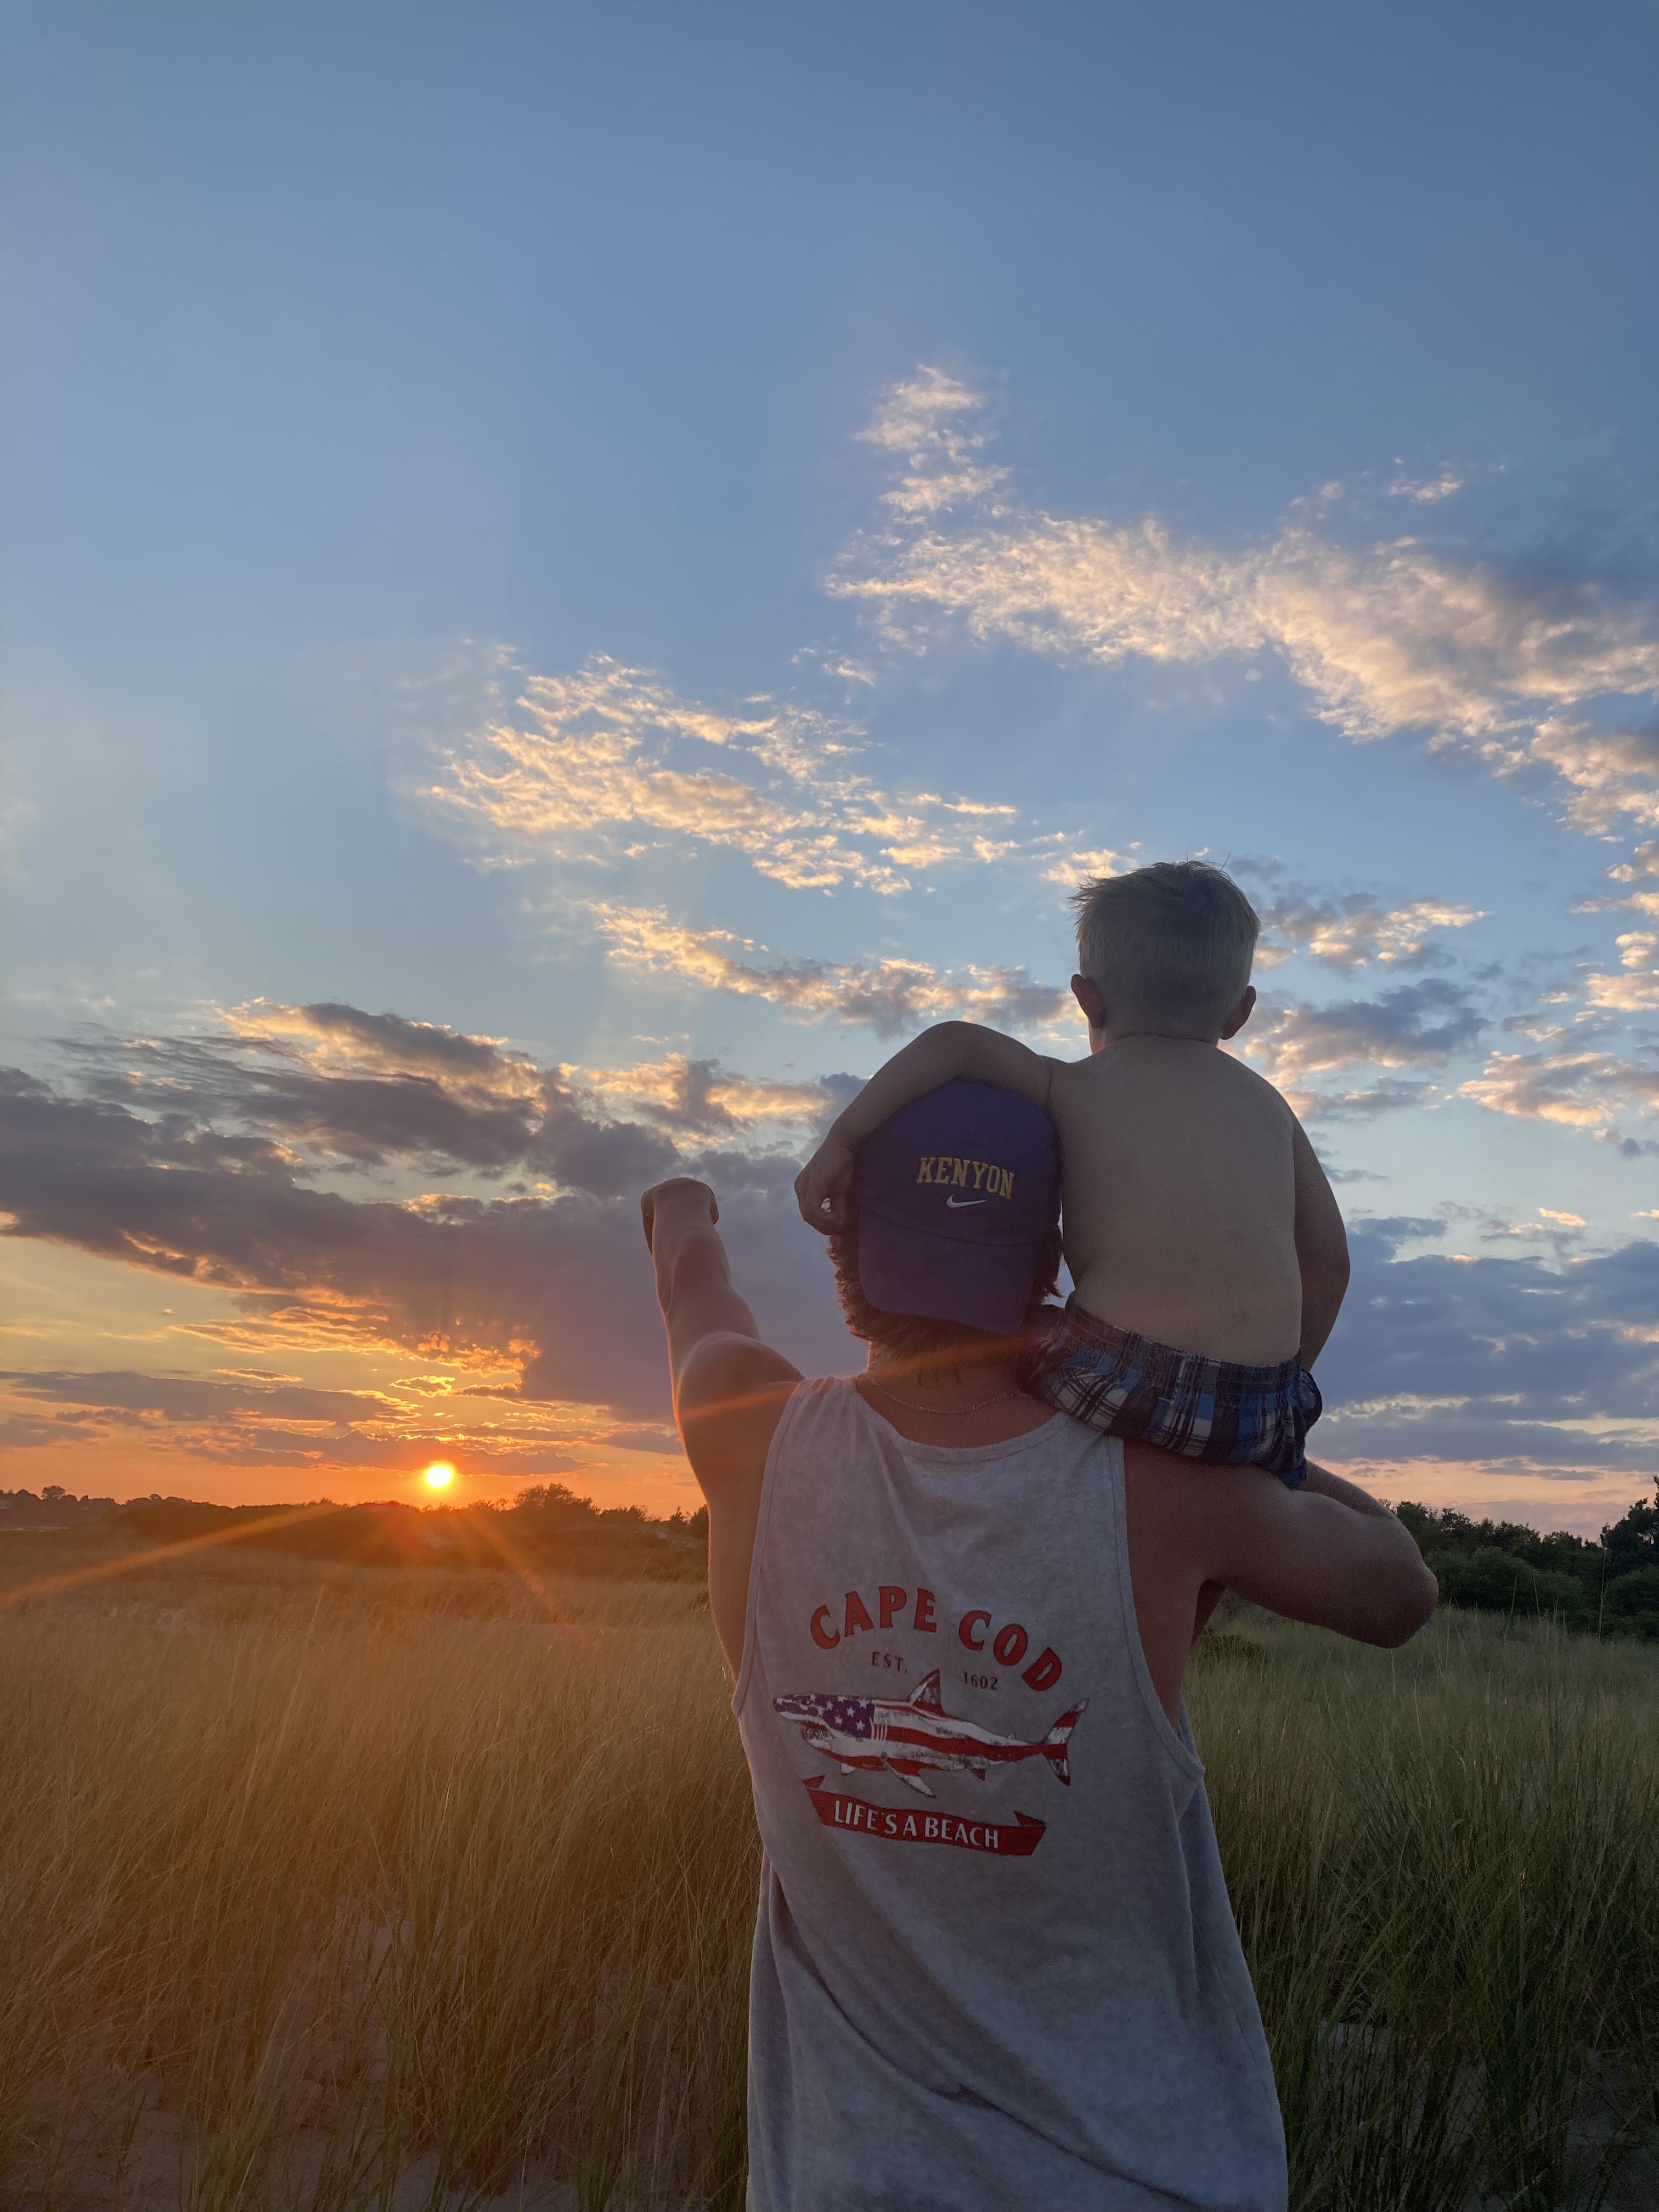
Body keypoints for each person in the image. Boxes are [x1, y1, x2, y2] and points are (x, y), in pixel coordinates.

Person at [641, 1080, 1435, 2212]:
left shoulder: (744, 1427)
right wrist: (1227, 1444)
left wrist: (681, 1207)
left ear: (848, 1247)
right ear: (1051, 1264)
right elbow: (1400, 1591)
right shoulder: (1168, 1486)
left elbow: (694, 1289)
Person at [794, 860, 1350, 1487]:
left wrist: (843, 1139)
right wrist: (1280, 1382)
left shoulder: (1076, 1086)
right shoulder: (1272, 1108)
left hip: (1124, 1377)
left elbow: (955, 1044)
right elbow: (1329, 1260)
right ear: (1240, 1012)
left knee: (1000, 1343)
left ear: (1088, 999)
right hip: (1263, 1411)